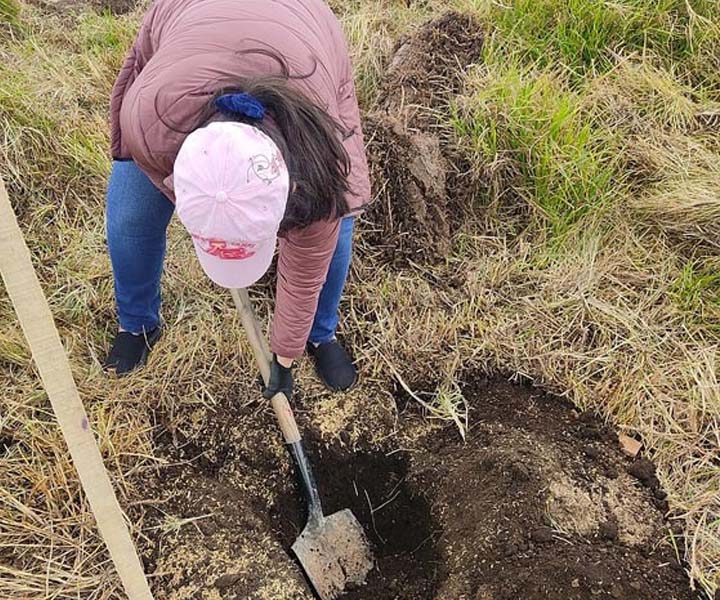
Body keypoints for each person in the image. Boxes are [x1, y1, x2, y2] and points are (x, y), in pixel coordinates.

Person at [103, 0, 371, 399]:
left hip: (305, 29)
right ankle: (136, 324)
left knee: (337, 223)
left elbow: (307, 260)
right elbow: (153, 167)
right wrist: (212, 207)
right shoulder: (151, 119)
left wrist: (284, 357)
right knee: (131, 219)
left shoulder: (317, 152)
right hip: (185, 21)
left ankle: (320, 333)